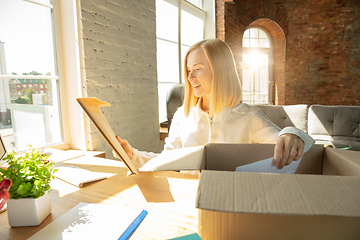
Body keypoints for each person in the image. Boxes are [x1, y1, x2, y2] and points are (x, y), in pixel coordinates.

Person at [115, 38, 314, 170]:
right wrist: (133, 155)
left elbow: (295, 145)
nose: (189, 77)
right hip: (187, 201)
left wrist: (292, 134)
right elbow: (165, 161)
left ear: (220, 70)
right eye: (188, 69)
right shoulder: (182, 117)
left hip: (230, 202)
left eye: (198, 69)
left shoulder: (248, 117)